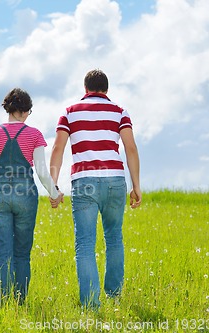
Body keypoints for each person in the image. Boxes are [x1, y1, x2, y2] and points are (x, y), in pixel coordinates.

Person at [49, 69, 142, 309]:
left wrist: (53, 185)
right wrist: (136, 185)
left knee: (85, 244)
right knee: (114, 238)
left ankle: (91, 304)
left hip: (84, 181)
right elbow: (130, 148)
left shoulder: (69, 112)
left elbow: (58, 149)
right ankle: (114, 296)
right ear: (106, 90)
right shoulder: (120, 111)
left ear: (85, 89)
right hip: (114, 179)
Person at [0, 88, 63, 305]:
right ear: (24, 110)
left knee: (1, 253)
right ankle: (20, 300)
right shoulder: (34, 134)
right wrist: (55, 193)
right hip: (26, 197)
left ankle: (3, 302)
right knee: (22, 253)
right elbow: (42, 171)